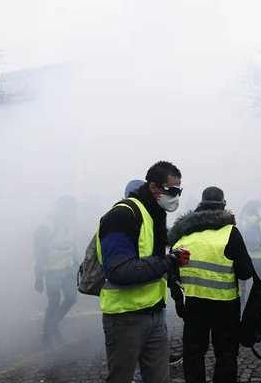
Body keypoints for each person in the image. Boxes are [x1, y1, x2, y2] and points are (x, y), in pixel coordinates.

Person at [98, 161, 190, 383]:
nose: (176, 196)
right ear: (153, 188)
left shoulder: (154, 214)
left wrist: (175, 282)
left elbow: (154, 259)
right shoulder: (122, 215)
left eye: (179, 190)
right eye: (171, 190)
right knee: (121, 378)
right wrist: (169, 261)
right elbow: (118, 271)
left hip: (155, 314)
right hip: (125, 318)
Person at [169, 187, 253, 383]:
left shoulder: (183, 234)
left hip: (193, 304)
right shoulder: (230, 232)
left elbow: (171, 273)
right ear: (224, 206)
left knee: (193, 353)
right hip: (225, 306)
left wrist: (180, 304)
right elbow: (246, 272)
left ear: (200, 206)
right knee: (225, 353)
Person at [33, 195, 79, 347]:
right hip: (52, 270)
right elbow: (39, 252)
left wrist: (77, 266)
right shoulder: (48, 226)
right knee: (53, 301)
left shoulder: (70, 224)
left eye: (72, 208)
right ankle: (47, 334)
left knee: (71, 298)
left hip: (67, 268)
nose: (70, 212)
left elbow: (72, 247)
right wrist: (38, 277)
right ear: (59, 208)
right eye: (67, 208)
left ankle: (51, 326)